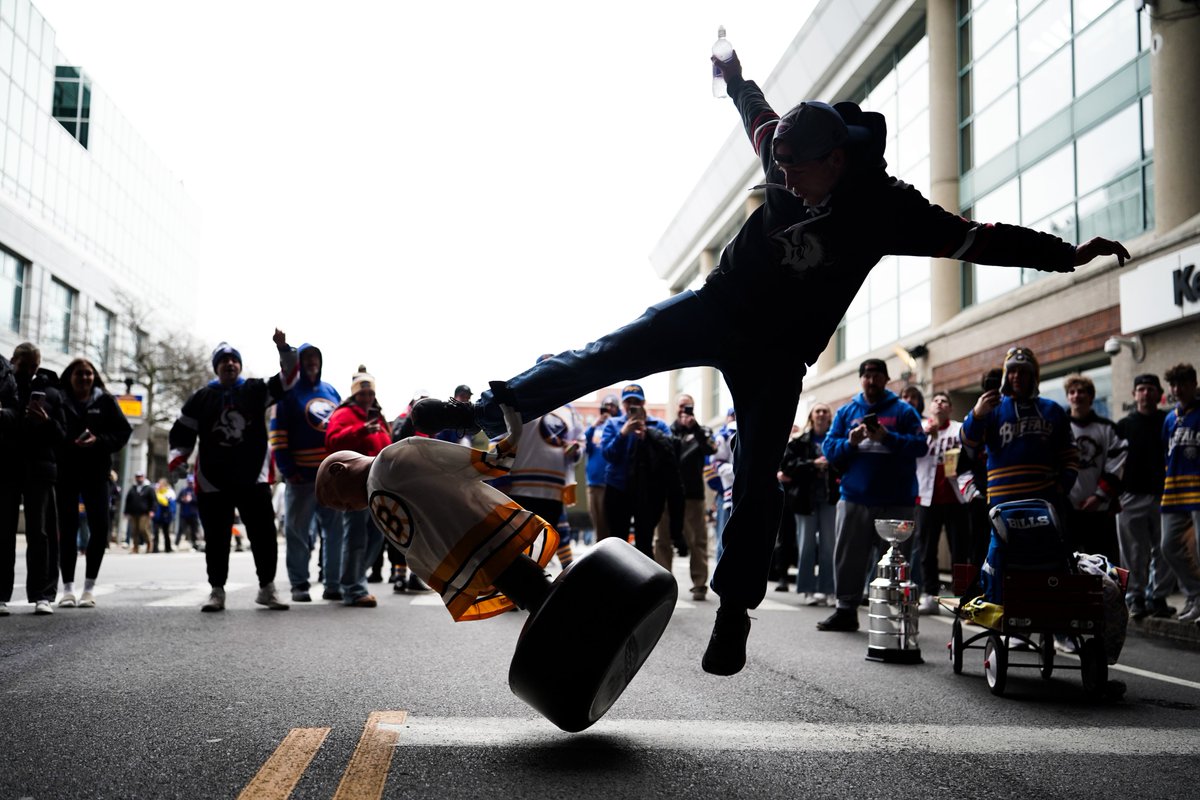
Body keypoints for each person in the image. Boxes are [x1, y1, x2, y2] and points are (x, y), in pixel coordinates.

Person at [409, 51, 1131, 676]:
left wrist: (1065, 256)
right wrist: (732, 76)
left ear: (835, 160)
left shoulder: (888, 209)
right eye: (777, 168)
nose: (784, 181)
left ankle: (734, 611)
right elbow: (754, 111)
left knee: (756, 479)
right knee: (609, 352)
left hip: (778, 353)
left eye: (795, 171)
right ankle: (482, 413)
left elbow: (979, 238)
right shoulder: (783, 153)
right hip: (717, 307)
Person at [316, 404, 559, 621]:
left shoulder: (392, 458)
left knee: (540, 596)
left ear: (339, 469)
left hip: (479, 539)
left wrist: (510, 432)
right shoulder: (379, 487)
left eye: (340, 502)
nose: (346, 509)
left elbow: (472, 464)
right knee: (537, 596)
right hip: (476, 547)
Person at [167, 332, 297, 612]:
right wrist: (178, 459)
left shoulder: (255, 389)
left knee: (263, 534)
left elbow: (287, 379)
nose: (229, 364)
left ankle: (267, 588)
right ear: (216, 367)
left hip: (253, 475)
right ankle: (217, 590)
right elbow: (182, 431)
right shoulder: (201, 397)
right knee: (216, 538)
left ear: (239, 364)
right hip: (213, 479)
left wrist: (283, 348)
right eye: (223, 360)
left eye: (233, 360)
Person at [817, 359, 926, 632]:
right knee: (848, 557)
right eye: (867, 375)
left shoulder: (904, 411)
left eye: (877, 375)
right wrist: (850, 442)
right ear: (861, 380)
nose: (872, 380)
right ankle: (845, 611)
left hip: (897, 501)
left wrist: (887, 437)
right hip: (855, 498)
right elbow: (829, 449)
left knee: (896, 562)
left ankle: (894, 616)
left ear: (886, 379)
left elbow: (920, 446)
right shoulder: (847, 412)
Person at [268, 340, 345, 603]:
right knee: (298, 532)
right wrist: (288, 470)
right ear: (299, 363)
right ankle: (299, 583)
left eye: (316, 358)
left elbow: (341, 426)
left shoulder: (330, 391)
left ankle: (333, 584)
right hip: (300, 477)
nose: (312, 362)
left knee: (335, 533)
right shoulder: (288, 393)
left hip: (331, 477)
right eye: (307, 358)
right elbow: (277, 435)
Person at [53, 357, 132, 608]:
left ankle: (89, 589)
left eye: (88, 373)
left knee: (100, 528)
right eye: (79, 373)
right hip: (66, 473)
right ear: (70, 377)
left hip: (97, 473)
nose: (84, 377)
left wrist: (99, 441)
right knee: (67, 529)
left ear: (94, 377)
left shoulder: (105, 401)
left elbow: (123, 431)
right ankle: (67, 589)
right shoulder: (58, 399)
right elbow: (51, 432)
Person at [0, 343, 66, 616]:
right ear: (13, 361)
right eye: (24, 365)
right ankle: (1, 595)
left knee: (40, 533)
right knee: (4, 531)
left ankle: (42, 594)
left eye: (34, 366)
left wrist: (46, 421)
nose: (29, 370)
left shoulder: (51, 392)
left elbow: (62, 435)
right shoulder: (4, 387)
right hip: (8, 466)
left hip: (39, 469)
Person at [324, 365, 391, 607]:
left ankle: (353, 579)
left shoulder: (377, 416)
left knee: (377, 536)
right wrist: (361, 431)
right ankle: (353, 588)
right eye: (362, 393)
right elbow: (332, 441)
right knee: (355, 536)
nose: (367, 397)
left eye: (370, 393)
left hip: (377, 485)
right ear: (354, 394)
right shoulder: (344, 414)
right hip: (353, 485)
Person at [1115, 374, 1175, 619]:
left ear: (1159, 394)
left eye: (1151, 389)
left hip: (1164, 495)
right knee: (1132, 552)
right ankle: (1135, 597)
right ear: (1134, 394)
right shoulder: (1123, 425)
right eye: (1141, 389)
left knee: (1165, 549)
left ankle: (1157, 597)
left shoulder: (1169, 421)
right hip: (1130, 496)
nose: (1146, 393)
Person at [601, 384, 681, 560]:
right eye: (628, 401)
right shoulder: (613, 424)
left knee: (645, 540)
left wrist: (649, 435)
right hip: (618, 487)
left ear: (643, 402)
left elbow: (670, 452)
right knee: (616, 541)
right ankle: (618, 575)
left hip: (648, 491)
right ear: (623, 404)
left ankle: (644, 576)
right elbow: (607, 454)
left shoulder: (658, 425)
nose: (632, 405)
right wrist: (623, 434)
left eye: (636, 401)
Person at [655, 394, 716, 601]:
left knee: (697, 540)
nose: (684, 410)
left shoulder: (703, 431)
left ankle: (699, 584)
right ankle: (663, 585)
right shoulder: (666, 431)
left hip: (693, 495)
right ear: (675, 407)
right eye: (681, 406)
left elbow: (711, 448)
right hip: (667, 494)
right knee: (662, 539)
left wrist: (695, 428)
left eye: (688, 406)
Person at [913, 391, 969, 614]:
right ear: (930, 408)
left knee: (959, 549)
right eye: (935, 401)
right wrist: (929, 436)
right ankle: (930, 595)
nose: (939, 404)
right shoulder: (920, 430)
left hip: (955, 497)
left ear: (950, 408)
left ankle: (959, 596)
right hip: (927, 498)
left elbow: (969, 455)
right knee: (927, 549)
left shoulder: (959, 429)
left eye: (944, 401)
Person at [1064, 373, 1127, 564]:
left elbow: (1117, 463)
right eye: (1072, 392)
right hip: (1067, 510)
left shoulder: (1108, 428)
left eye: (1081, 391)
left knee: (1103, 564)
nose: (1076, 395)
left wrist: (1099, 496)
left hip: (1100, 510)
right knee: (1069, 564)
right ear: (1067, 397)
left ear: (1091, 396)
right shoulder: (1059, 427)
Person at [778, 402, 837, 606]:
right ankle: (807, 589)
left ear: (829, 417)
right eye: (817, 411)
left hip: (830, 499)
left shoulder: (835, 439)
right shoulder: (798, 441)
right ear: (812, 416)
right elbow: (787, 466)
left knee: (829, 546)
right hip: (804, 500)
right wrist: (813, 464)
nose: (821, 414)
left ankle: (829, 589)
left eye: (825, 411)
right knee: (806, 546)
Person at [1161, 363, 1200, 623]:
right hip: (1174, 492)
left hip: (1198, 491)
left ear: (1194, 384)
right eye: (1174, 385)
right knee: (1168, 546)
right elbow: (1166, 456)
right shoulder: (1169, 419)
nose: (1178, 389)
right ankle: (1195, 594)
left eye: (1183, 384)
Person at [583, 394, 620, 545]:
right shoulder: (595, 428)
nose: (609, 409)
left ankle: (605, 551)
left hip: (609, 482)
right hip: (593, 482)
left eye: (612, 406)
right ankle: (600, 549)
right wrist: (593, 426)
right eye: (606, 406)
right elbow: (584, 445)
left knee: (607, 523)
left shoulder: (618, 425)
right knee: (596, 521)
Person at [123, 472, 155, 554]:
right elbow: (128, 501)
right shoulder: (133, 488)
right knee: (134, 530)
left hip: (144, 513)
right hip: (134, 512)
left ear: (143, 477)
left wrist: (152, 510)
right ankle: (135, 547)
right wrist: (126, 511)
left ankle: (149, 544)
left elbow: (153, 500)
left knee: (143, 528)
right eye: (137, 477)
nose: (139, 478)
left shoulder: (148, 488)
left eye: (140, 477)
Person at [174, 479, 203, 552]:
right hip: (184, 514)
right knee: (181, 529)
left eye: (191, 483)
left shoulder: (196, 491)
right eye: (189, 483)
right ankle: (176, 544)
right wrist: (183, 499)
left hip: (193, 514)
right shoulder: (183, 490)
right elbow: (177, 500)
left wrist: (191, 499)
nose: (190, 484)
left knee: (194, 530)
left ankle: (194, 544)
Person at [152, 478, 177, 553]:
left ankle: (168, 548)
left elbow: (172, 506)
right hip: (157, 516)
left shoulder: (169, 493)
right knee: (155, 532)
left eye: (161, 485)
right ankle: (155, 548)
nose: (159, 486)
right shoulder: (156, 492)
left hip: (165, 516)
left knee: (166, 532)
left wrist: (170, 515)